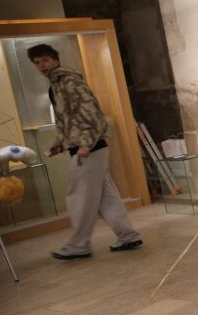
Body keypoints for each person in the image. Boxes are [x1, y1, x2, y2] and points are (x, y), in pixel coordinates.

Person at [28, 44, 143, 260]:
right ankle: (128, 235)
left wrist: (86, 144)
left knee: (79, 196)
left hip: (88, 149)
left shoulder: (68, 81)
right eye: (36, 62)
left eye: (44, 59)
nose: (41, 65)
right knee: (106, 197)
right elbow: (68, 119)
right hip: (89, 147)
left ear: (55, 59)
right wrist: (60, 143)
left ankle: (79, 245)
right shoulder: (57, 84)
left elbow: (91, 112)